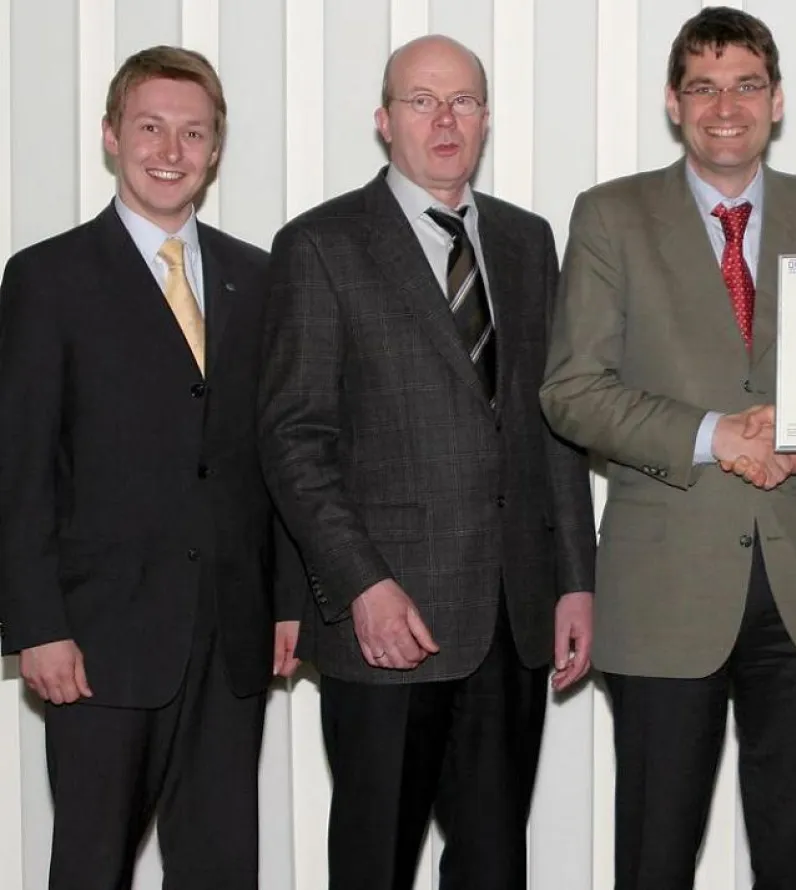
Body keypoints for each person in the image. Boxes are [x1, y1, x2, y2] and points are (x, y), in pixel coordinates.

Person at [538, 8, 796, 889]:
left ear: (776, 102)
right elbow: (571, 390)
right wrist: (714, 436)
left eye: (745, 86)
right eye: (703, 86)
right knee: (656, 856)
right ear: (673, 101)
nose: (724, 106)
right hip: (666, 593)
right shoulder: (610, 217)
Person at [257, 34, 596, 890]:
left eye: (464, 102)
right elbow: (295, 438)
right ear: (384, 120)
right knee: (375, 861)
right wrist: (360, 585)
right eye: (421, 101)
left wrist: (574, 580)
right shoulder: (321, 245)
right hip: (387, 621)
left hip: (512, 616)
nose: (444, 121)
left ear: (486, 119)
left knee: (493, 865)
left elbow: (549, 422)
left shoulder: (526, 241)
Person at [0, 45, 304, 890]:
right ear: (110, 135)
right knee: (92, 865)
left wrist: (284, 600)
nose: (171, 151)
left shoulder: (259, 277)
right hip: (98, 639)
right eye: (150, 128)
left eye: (193, 133)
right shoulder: (45, 278)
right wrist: (35, 626)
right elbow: (19, 466)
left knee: (219, 867)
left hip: (233, 636)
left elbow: (272, 453)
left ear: (215, 150)